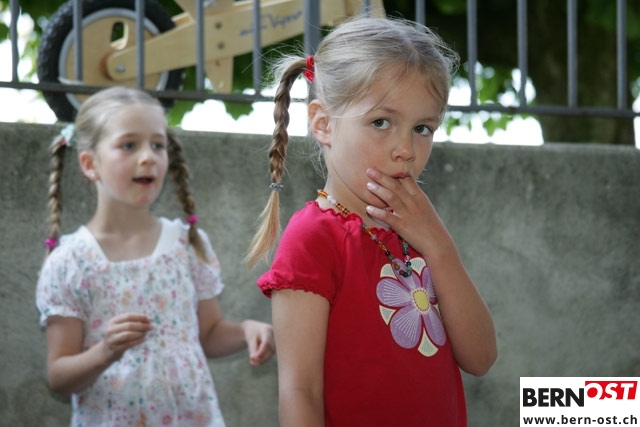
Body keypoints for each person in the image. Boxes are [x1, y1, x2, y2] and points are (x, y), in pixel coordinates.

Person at [246, 16, 497, 426]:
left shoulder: (421, 233)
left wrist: (439, 246)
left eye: (422, 128)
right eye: (381, 122)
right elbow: (300, 391)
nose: (406, 149)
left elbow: (481, 357)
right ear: (323, 124)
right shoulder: (314, 237)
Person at [36, 86, 275, 427]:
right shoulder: (69, 262)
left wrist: (247, 329)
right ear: (90, 164)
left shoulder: (188, 244)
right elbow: (59, 376)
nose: (148, 157)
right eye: (129, 145)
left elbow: (208, 334)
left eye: (158, 145)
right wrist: (106, 351)